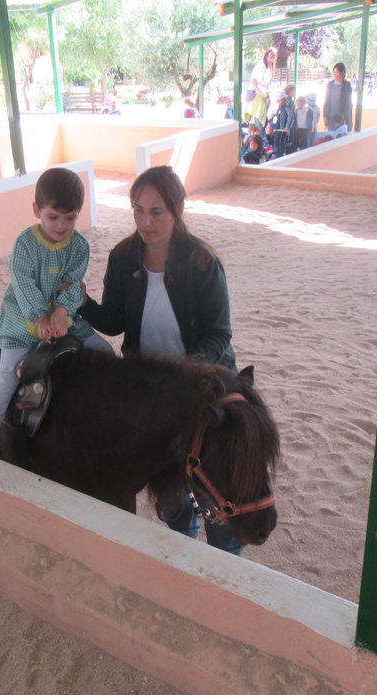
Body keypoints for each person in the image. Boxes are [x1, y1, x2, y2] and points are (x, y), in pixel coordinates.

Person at [78, 166, 244, 555]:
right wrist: (82, 302)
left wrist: (185, 373)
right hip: (149, 390)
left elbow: (220, 334)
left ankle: (226, 561)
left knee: (218, 489)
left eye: (157, 212)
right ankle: (182, 545)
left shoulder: (202, 261)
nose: (145, 222)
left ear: (178, 209)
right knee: (169, 492)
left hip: (203, 382)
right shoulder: (123, 256)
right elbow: (116, 322)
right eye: (138, 210)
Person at [0, 167, 113, 459]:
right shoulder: (25, 245)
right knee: (8, 375)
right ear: (37, 210)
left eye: (70, 218)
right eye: (54, 217)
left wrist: (62, 312)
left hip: (64, 319)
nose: (62, 225)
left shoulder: (79, 247)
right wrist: (40, 318)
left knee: (104, 353)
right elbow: (23, 285)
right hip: (23, 321)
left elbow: (75, 286)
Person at [245, 47, 278, 124]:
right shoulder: (261, 66)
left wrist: (267, 96)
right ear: (266, 55)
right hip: (256, 94)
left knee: (262, 119)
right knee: (260, 119)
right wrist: (263, 94)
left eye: (273, 57)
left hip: (261, 94)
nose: (271, 59)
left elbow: (265, 84)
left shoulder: (268, 68)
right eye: (270, 56)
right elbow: (254, 81)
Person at [323, 62, 353, 133]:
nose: (335, 74)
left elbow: (348, 104)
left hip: (342, 121)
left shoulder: (347, 85)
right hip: (331, 120)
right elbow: (326, 101)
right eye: (334, 72)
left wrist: (344, 119)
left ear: (342, 73)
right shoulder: (330, 85)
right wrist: (325, 116)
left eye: (337, 72)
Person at [268, 84, 296, 157]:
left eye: (279, 99)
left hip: (283, 129)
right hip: (278, 128)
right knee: (276, 142)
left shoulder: (288, 105)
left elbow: (290, 116)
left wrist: (287, 126)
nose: (277, 101)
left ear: (282, 99)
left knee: (280, 143)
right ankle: (277, 155)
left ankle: (279, 156)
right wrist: (273, 127)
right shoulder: (280, 106)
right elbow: (276, 117)